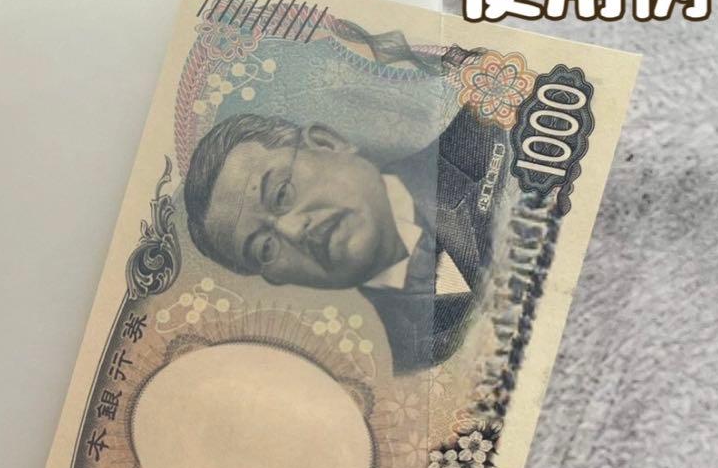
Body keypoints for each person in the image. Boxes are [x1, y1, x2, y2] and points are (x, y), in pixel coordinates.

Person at [182, 106, 502, 372]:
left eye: (281, 194)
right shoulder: (397, 360)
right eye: (265, 248)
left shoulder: (490, 126)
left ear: (327, 142)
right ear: (276, 278)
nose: (293, 230)